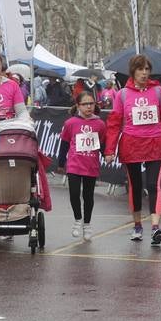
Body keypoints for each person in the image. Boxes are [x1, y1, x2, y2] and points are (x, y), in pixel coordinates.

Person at [105, 54, 161, 247]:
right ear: (133, 72)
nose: (144, 73)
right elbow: (114, 124)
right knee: (136, 186)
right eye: (140, 69)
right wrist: (109, 150)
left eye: (147, 69)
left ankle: (156, 227)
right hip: (131, 145)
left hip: (156, 144)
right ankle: (137, 225)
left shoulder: (158, 92)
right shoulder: (122, 94)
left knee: (154, 184)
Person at [60, 89, 105, 240]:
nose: (88, 107)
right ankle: (78, 220)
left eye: (91, 104)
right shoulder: (71, 123)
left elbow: (102, 144)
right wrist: (61, 163)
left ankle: (87, 224)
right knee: (74, 194)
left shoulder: (99, 124)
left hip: (90, 164)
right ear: (78, 105)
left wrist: (108, 155)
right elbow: (64, 144)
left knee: (88, 196)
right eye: (85, 104)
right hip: (74, 164)